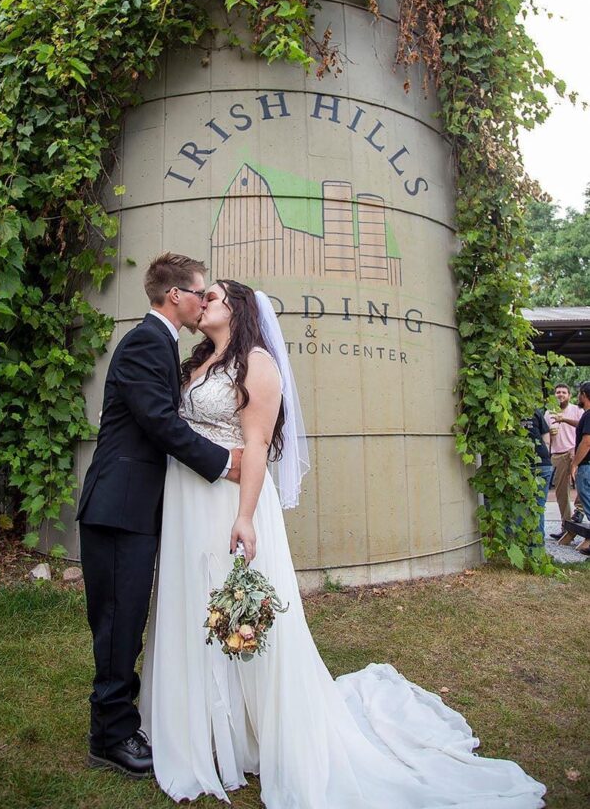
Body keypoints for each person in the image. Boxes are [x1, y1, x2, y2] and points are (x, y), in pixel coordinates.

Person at [140, 280, 545, 808]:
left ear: (236, 309)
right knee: (192, 605)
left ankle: (256, 729)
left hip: (227, 504)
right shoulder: (197, 362)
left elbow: (258, 444)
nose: (204, 302)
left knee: (234, 610)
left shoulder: (257, 364)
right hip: (187, 500)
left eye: (214, 296)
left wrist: (244, 518)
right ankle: (206, 732)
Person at [76, 253, 242, 777]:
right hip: (118, 506)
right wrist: (222, 463)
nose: (202, 302)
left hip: (131, 505)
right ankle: (110, 735)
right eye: (199, 293)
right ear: (176, 296)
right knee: (117, 620)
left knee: (125, 618)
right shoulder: (146, 341)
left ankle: (119, 721)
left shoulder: (158, 345)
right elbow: (158, 423)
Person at [545, 383, 583, 539]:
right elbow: (546, 435)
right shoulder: (548, 413)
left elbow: (584, 429)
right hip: (556, 455)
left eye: (564, 392)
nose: (560, 394)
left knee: (583, 485)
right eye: (558, 392)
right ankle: (567, 526)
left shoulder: (577, 410)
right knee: (561, 493)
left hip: (573, 452)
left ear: (569, 395)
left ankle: (579, 511)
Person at [520, 408, 553, 544]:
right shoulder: (535, 410)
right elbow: (546, 435)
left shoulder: (511, 410)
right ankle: (537, 547)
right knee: (538, 506)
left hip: (526, 464)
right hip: (544, 462)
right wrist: (543, 451)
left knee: (521, 505)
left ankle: (522, 544)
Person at [569, 381, 590, 555]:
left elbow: (587, 441)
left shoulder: (589, 415)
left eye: (578, 393)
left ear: (583, 395)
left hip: (587, 466)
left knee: (588, 502)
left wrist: (574, 464)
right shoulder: (586, 416)